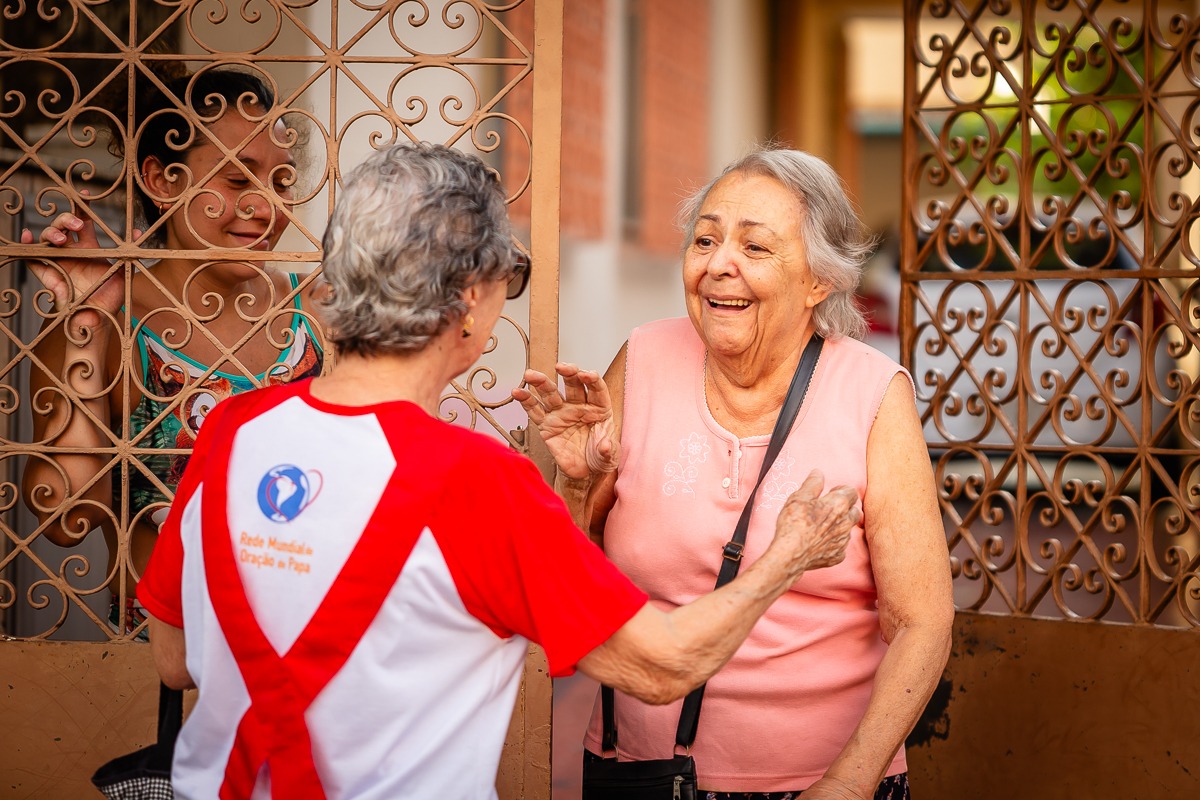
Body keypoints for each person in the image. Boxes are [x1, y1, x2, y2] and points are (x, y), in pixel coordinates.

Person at [136, 142, 863, 800]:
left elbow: (174, 657)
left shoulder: (233, 432)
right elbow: (664, 666)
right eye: (505, 279)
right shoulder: (476, 483)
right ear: (470, 302)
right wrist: (788, 555)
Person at [514, 146, 955, 800]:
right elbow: (572, 582)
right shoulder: (644, 359)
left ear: (818, 280)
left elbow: (923, 621)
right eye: (706, 240)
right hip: (637, 772)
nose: (719, 265)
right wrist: (576, 486)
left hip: (820, 781)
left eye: (754, 248)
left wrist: (850, 783)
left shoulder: (870, 394)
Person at [20, 64, 324, 636]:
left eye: (281, 183)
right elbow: (66, 517)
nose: (265, 208)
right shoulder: (111, 325)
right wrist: (86, 320)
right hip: (159, 664)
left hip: (305, 657)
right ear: (162, 180)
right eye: (239, 180)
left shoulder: (320, 319)